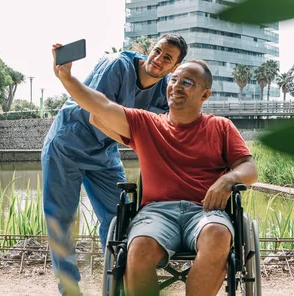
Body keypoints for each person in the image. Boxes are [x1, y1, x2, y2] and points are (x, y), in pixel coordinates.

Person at [51, 54, 258, 296]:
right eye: (174, 79)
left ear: (205, 94)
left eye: (187, 82)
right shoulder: (146, 123)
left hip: (206, 210)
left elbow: (249, 169)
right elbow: (101, 106)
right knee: (138, 248)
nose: (176, 86)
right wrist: (67, 78)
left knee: (218, 234)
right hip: (156, 212)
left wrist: (227, 180)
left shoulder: (221, 126)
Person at [42, 34, 188, 295]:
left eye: (167, 58)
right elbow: (96, 113)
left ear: (174, 67)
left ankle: (114, 288)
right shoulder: (117, 66)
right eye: (157, 51)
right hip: (68, 144)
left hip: (105, 152)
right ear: (150, 50)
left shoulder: (163, 90)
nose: (158, 59)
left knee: (117, 219)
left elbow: (161, 128)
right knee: (60, 221)